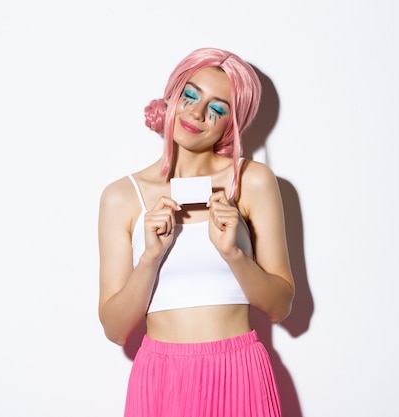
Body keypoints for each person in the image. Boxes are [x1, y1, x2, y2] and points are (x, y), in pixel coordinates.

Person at [98, 47, 295, 417]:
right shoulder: (122, 197)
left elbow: (279, 306)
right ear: (171, 97)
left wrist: (234, 254)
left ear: (232, 124)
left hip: (238, 372)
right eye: (190, 95)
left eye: (218, 109)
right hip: (160, 378)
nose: (198, 113)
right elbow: (115, 328)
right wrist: (149, 259)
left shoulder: (251, 182)